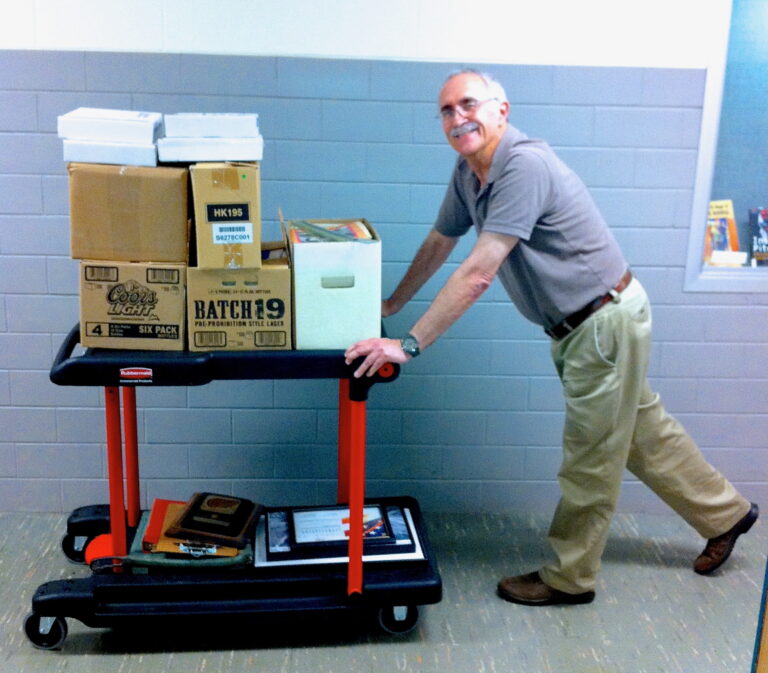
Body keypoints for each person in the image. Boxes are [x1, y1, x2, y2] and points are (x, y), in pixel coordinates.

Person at [344, 69, 759, 606]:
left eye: (468, 104)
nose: (456, 118)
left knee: (590, 457)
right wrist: (394, 303)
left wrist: (410, 343)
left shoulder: (523, 165)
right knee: (638, 433)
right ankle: (726, 513)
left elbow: (478, 270)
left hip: (601, 322)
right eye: (446, 110)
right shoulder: (470, 172)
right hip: (586, 326)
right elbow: (441, 239)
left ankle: (570, 577)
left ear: (501, 110)